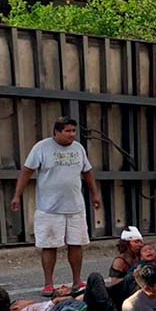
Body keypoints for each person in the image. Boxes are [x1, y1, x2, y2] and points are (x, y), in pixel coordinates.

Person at [11, 117, 102, 296]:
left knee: (76, 244)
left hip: (75, 206)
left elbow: (88, 172)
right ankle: (49, 284)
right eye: (67, 131)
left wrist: (95, 194)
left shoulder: (79, 149)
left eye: (73, 131)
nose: (72, 135)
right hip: (49, 208)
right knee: (49, 245)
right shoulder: (41, 148)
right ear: (56, 132)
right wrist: (17, 195)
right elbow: (26, 172)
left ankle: (77, 281)